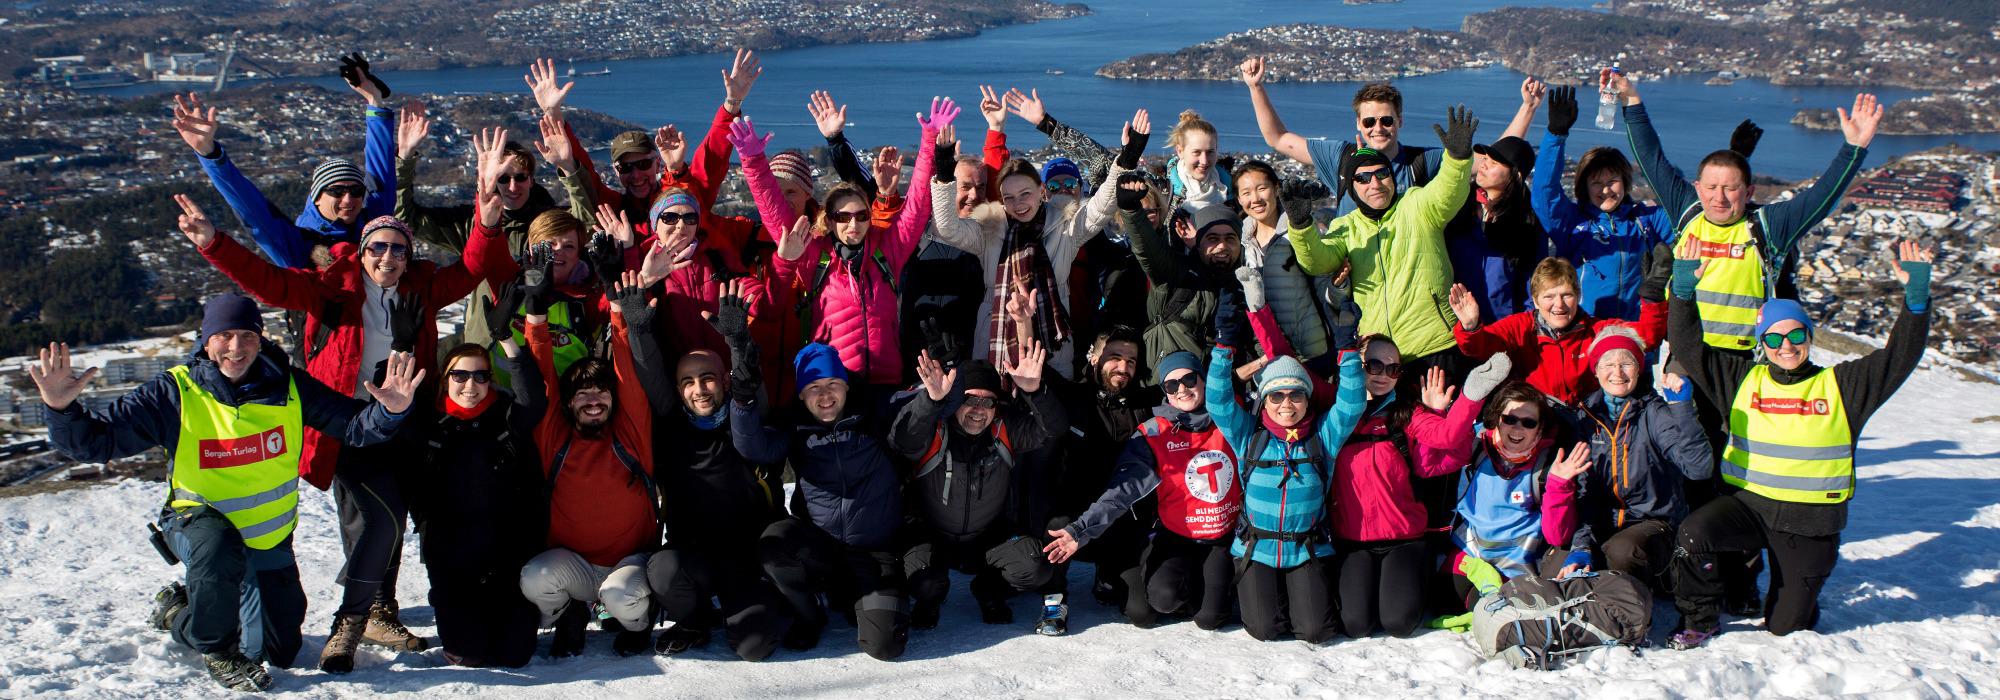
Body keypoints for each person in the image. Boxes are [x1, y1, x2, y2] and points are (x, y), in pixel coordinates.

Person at [184, 193, 512, 671]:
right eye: (378, 247)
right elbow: (271, 285)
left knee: (399, 516)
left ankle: (382, 606)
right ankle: (354, 620)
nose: (388, 257)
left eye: (399, 249)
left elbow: (471, 267)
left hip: (407, 420)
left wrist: (485, 218)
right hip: (351, 423)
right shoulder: (331, 288)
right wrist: (214, 244)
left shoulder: (421, 288)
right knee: (378, 519)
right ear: (361, 251)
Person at [33, 293, 421, 691]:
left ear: (260, 336)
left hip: (268, 537)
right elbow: (98, 443)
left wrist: (389, 411)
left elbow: (354, 426)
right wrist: (61, 409)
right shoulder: (174, 392)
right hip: (196, 519)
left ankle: (180, 608)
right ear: (205, 340)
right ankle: (215, 649)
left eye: (246, 335)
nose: (236, 347)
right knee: (217, 550)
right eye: (224, 335)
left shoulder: (289, 385)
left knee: (279, 649)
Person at [1665, 240, 1934, 649]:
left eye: (1795, 335)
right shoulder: (1742, 379)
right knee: (1694, 533)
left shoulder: (1842, 386)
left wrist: (1916, 299)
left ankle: (1795, 597)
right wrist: (1683, 291)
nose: (1786, 347)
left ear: (1808, 337)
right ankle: (1700, 618)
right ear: (1761, 343)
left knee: (1785, 627)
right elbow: (1689, 346)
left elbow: (1898, 357)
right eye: (1773, 339)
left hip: (1811, 520)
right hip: (1749, 506)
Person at [1611, 68, 1879, 352]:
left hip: (1748, 358)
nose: (1719, 198)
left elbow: (1821, 198)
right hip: (1687, 355)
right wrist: (1631, 100)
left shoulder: (1767, 227)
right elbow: (1652, 158)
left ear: (1749, 192)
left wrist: (1854, 148)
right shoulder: (1689, 210)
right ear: (1698, 187)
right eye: (1712, 188)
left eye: (1731, 188)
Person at [620, 279, 790, 660]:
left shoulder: (745, 418)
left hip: (748, 556)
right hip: (694, 555)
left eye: (708, 378)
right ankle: (694, 621)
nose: (699, 389)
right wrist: (639, 328)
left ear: (725, 381)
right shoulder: (669, 427)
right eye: (688, 382)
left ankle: (764, 601)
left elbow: (750, 383)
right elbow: (650, 376)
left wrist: (738, 341)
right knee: (663, 569)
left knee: (755, 647)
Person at [748, 98, 955, 390]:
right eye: (842, 217)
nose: (853, 224)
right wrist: (754, 162)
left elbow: (918, 205)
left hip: (887, 383)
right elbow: (776, 214)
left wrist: (929, 140)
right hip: (834, 388)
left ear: (870, 218)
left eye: (861, 215)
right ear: (829, 220)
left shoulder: (887, 253)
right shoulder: (814, 256)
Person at [729, 334, 908, 660]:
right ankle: (809, 614)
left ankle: (858, 601)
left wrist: (945, 390)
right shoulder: (794, 426)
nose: (825, 395)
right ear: (801, 394)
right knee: (775, 543)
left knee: (885, 646)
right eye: (814, 387)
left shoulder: (874, 412)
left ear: (846, 385)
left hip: (874, 550)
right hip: (821, 548)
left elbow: (923, 405)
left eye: (832, 383)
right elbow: (753, 447)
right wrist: (742, 402)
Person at [518, 263, 662, 658]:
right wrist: (535, 315)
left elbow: (626, 370)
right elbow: (544, 372)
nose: (593, 398)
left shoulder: (631, 434)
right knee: (535, 578)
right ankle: (571, 609)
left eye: (601, 391)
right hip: (575, 565)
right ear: (568, 404)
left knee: (621, 597)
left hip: (629, 563)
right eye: (582, 394)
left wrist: (616, 306)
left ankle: (634, 623)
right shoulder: (555, 439)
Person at [1044, 350, 1238, 629]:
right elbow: (1123, 489)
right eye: (1172, 385)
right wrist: (1081, 530)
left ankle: (1218, 583)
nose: (1182, 389)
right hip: (1178, 534)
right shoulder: (1154, 432)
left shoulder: (1231, 419)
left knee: (1210, 619)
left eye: (1189, 379)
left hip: (1222, 537)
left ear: (1204, 380)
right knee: (1162, 600)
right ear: (1165, 393)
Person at [1289, 107, 1480, 388]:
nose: (1375, 183)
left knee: (1438, 429)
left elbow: (1448, 192)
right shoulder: (1346, 226)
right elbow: (1317, 262)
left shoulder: (1416, 204)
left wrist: (1457, 158)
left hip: (1433, 346)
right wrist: (1301, 224)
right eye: (1363, 179)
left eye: (1382, 174)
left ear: (1392, 177)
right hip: (1377, 354)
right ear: (1352, 189)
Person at [1206, 309, 1366, 643]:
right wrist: (1223, 347)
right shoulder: (1249, 435)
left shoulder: (1324, 436)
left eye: (1296, 394)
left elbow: (1351, 404)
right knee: (1264, 629)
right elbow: (1219, 402)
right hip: (1257, 546)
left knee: (1315, 631)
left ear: (1308, 399)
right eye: (1276, 396)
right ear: (1264, 402)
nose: (1286, 404)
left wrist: (1347, 350)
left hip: (1306, 549)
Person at [1331, 340, 1510, 639]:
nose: (1382, 374)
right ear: (1355, 365)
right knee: (1355, 625)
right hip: (1353, 541)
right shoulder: (1337, 412)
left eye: (1393, 368)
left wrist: (1469, 397)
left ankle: (1418, 577)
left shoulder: (1407, 413)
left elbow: (1448, 435)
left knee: (1399, 622)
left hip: (1404, 539)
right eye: (1373, 365)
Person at [891, 344, 1067, 630]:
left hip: (986, 537)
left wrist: (1035, 393)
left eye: (988, 402)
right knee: (924, 580)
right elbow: (902, 440)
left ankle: (989, 590)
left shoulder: (1004, 429)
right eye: (970, 400)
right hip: (933, 534)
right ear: (956, 400)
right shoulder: (936, 429)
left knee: (1035, 566)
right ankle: (930, 601)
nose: (979, 411)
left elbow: (1053, 429)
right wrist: (931, 402)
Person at [929, 118, 1121, 372]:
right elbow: (948, 228)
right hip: (995, 341)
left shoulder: (1065, 227)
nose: (1018, 204)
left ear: (1041, 191)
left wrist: (1124, 163)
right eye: (1008, 197)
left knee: (1048, 408)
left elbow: (1100, 208)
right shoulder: (990, 230)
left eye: (1025, 194)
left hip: (1052, 345)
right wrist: (943, 173)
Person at [168, 57, 395, 269]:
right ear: (316, 198)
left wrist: (375, 102)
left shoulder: (372, 221)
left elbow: (380, 172)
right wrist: (209, 153)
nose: (349, 198)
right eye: (336, 191)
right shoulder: (297, 244)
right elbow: (250, 207)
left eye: (356, 190)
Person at [407, 341, 547, 669]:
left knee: (515, 654)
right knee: (468, 654)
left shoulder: (507, 415)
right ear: (445, 379)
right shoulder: (429, 420)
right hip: (452, 558)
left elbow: (534, 399)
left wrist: (507, 340)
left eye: (480, 376)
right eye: (460, 376)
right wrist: (403, 344)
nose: (470, 385)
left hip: (505, 555)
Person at [1564, 327, 1713, 594]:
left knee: (1621, 552)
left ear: (1640, 368)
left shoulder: (1655, 413)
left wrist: (1682, 410)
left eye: (1627, 363)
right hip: (1603, 523)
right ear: (1595, 370)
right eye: (1608, 363)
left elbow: (1698, 468)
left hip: (1652, 524)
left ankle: (1644, 594)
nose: (1617, 372)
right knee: (1557, 564)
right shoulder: (1585, 417)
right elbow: (1582, 490)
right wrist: (1581, 545)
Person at [540, 51, 762, 227]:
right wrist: (553, 114)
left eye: (643, 164)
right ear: (616, 172)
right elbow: (584, 180)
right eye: (626, 168)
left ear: (657, 163)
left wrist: (732, 103)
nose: (636, 175)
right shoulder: (614, 212)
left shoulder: (687, 199)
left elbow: (712, 160)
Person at [1437, 382, 1590, 617]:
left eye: (1528, 422)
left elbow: (1557, 536)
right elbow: (1431, 461)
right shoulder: (1476, 445)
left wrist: (1560, 486)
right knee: (1442, 602)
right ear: (1497, 418)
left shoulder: (1547, 463)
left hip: (1517, 564)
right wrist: (1438, 415)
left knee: (1499, 611)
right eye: (1510, 419)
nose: (1518, 428)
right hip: (1470, 551)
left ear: (1539, 429)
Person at [1530, 85, 1675, 323]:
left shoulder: (1644, 220)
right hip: (1586, 331)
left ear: (1625, 182)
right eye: (1596, 182)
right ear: (1584, 187)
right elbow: (1544, 194)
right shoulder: (1574, 222)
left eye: (1613, 181)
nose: (1606, 189)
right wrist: (1556, 135)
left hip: (1633, 331)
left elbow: (1683, 208)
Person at [1046, 326, 1164, 611]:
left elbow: (1194, 389)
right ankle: (1054, 600)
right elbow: (1034, 375)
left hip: (1120, 518)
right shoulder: (1073, 396)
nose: (1123, 367)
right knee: (1055, 526)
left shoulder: (1144, 403)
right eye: (1114, 357)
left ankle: (1107, 574)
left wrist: (1263, 363)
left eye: (1131, 361)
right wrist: (1023, 322)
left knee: (1141, 612)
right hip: (1072, 517)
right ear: (1095, 358)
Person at [1449, 256, 1667, 407]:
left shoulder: (1595, 331)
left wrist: (1653, 298)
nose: (1559, 305)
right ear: (1535, 300)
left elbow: (1646, 337)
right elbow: (1480, 347)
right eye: (1549, 296)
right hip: (1535, 421)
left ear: (1578, 295)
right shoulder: (1521, 327)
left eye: (1566, 295)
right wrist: (1471, 327)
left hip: (1584, 420)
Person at [1240, 57, 1443, 218]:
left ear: (1400, 120)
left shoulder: (1420, 162)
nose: (1378, 128)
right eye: (1369, 122)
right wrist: (1255, 87)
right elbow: (1278, 138)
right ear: (1358, 123)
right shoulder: (1341, 157)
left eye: (1387, 121)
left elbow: (1470, 162)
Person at [1234, 161, 1339, 369]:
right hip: (1267, 353)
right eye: (1246, 193)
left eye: (1262, 188)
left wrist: (1338, 287)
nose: (1255, 199)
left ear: (1276, 189)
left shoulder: (1298, 231)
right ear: (1238, 199)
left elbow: (1323, 284)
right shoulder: (1240, 239)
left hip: (1310, 353)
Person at [1444, 132, 1546, 325]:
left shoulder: (1527, 224)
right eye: (1485, 158)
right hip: (1452, 325)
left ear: (1515, 175)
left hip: (1501, 329)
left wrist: (1522, 327)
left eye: (1494, 162)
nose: (1483, 164)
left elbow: (1533, 285)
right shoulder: (1458, 205)